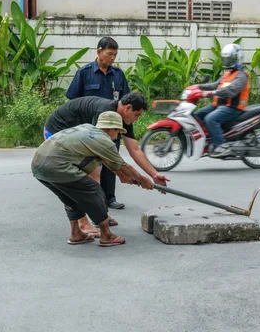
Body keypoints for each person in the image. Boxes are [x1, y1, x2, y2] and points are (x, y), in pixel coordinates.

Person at [43, 92, 169, 236]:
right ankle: (84, 222)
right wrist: (125, 174)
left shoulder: (122, 119)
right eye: (137, 115)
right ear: (128, 108)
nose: (136, 119)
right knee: (81, 177)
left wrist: (154, 174)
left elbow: (134, 149)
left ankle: (99, 216)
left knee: (95, 172)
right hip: (57, 130)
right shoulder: (104, 112)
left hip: (78, 136)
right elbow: (101, 153)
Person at [32, 111, 155, 247]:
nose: (117, 136)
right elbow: (123, 166)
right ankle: (106, 235)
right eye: (118, 132)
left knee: (72, 197)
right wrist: (144, 180)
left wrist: (123, 176)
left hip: (38, 165)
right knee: (94, 191)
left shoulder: (87, 129)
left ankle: (76, 234)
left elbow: (111, 163)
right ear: (110, 129)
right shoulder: (103, 140)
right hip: (57, 166)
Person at [66, 37, 131, 209]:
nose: (112, 58)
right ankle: (90, 199)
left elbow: (125, 101)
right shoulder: (84, 73)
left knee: (110, 160)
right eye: (109, 54)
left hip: (111, 128)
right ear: (99, 51)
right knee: (89, 164)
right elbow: (73, 102)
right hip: (88, 128)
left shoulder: (118, 75)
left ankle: (109, 198)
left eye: (115, 55)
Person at [194, 43, 251, 158]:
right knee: (197, 115)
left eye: (230, 60)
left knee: (210, 119)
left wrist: (212, 93)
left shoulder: (242, 75)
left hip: (232, 108)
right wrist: (199, 86)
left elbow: (231, 90)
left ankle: (220, 145)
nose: (227, 63)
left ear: (237, 58)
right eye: (226, 60)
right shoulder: (228, 73)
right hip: (219, 105)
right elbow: (216, 84)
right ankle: (209, 140)